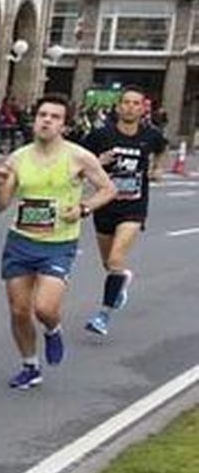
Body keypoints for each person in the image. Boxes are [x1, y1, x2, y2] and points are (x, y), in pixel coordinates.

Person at [0, 94, 115, 389]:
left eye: (55, 117)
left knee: (44, 308)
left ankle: (53, 329)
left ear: (64, 125)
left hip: (58, 244)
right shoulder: (18, 158)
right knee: (19, 310)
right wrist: (0, 185)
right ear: (34, 120)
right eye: (42, 115)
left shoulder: (79, 157)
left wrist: (84, 208)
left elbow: (108, 189)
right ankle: (30, 366)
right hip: (21, 240)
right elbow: (0, 205)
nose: (46, 120)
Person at [80, 87, 170, 336]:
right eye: (126, 103)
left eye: (136, 103)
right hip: (104, 204)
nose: (130, 107)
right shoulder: (101, 135)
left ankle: (103, 316)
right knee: (109, 263)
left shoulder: (150, 136)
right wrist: (99, 162)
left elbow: (162, 148)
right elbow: (80, 162)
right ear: (118, 107)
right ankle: (121, 280)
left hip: (134, 206)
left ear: (143, 109)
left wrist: (158, 168)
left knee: (117, 258)